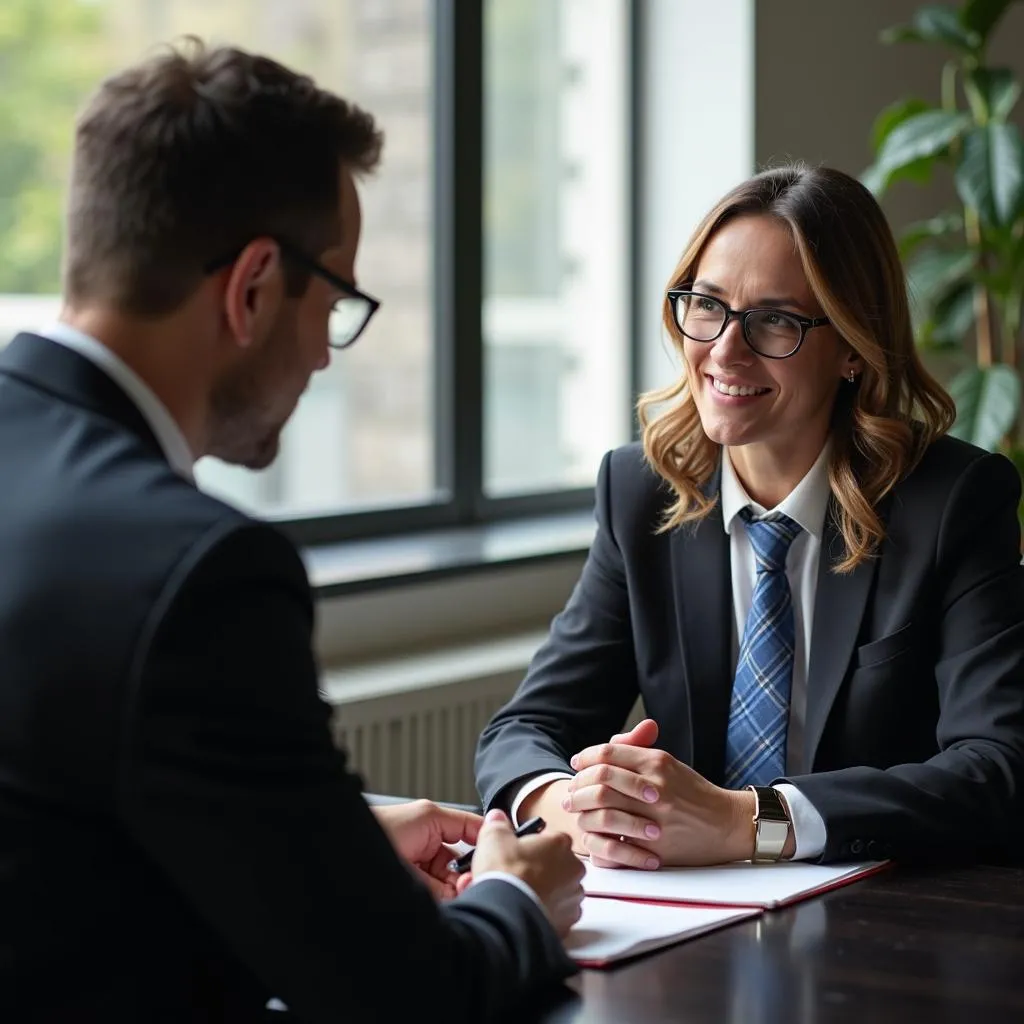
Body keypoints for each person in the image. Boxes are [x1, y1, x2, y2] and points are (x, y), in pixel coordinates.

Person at [0, 40, 584, 1023]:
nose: (323, 353)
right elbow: (408, 997)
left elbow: (51, 806)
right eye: (340, 300)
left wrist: (327, 835)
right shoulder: (196, 572)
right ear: (256, 286)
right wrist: (518, 897)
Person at [475, 163, 1024, 871]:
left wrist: (749, 822)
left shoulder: (952, 501)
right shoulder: (639, 490)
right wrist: (569, 805)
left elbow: (1000, 769)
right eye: (707, 305)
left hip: (885, 921)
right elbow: (525, 728)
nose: (724, 351)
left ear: (854, 349)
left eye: (774, 321)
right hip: (686, 924)